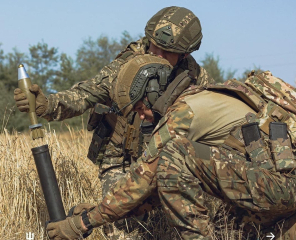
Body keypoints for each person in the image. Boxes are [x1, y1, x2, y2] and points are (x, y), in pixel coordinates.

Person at [46, 54, 296, 240]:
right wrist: (99, 211)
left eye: (140, 109)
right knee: (224, 230)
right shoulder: (203, 95)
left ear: (154, 93)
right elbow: (160, 186)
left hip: (281, 189)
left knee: (174, 155)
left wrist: (82, 223)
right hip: (280, 186)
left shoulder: (183, 113)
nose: (142, 118)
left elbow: (142, 180)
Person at [14, 6, 214, 239]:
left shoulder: (195, 80)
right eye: (153, 46)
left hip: (161, 157)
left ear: (184, 54)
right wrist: (48, 105)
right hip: (119, 154)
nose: (156, 55)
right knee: (125, 231)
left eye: (165, 52)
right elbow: (88, 93)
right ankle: (92, 215)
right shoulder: (127, 63)